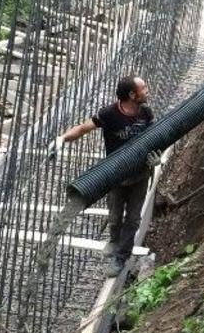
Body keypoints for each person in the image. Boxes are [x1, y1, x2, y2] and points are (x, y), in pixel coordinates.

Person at [48, 76, 161, 277]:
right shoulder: (109, 114)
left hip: (140, 175)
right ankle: (114, 240)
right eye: (144, 88)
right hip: (116, 175)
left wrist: (156, 157)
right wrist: (62, 138)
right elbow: (83, 128)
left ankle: (121, 257)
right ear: (132, 95)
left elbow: (157, 137)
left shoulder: (146, 112)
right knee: (115, 216)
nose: (148, 91)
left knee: (133, 219)